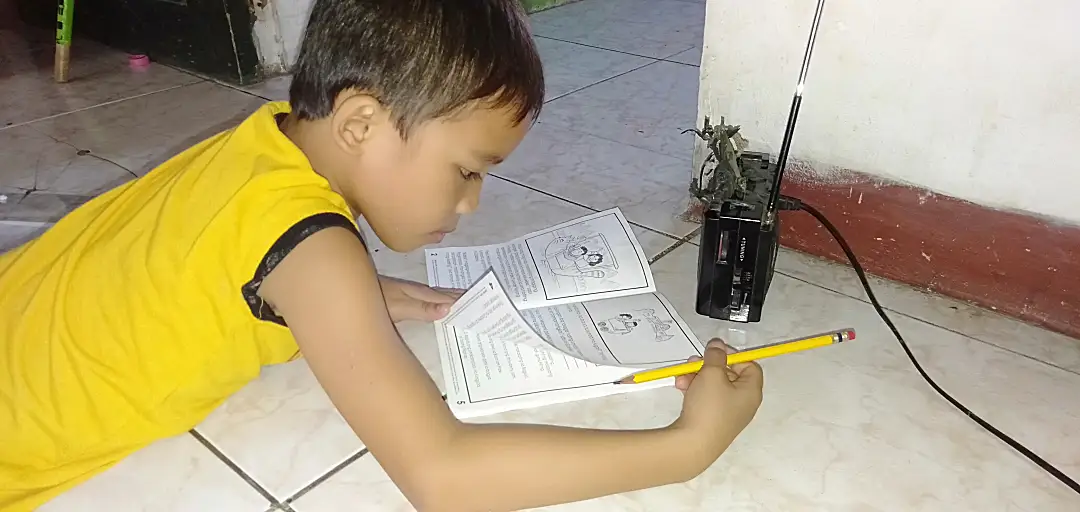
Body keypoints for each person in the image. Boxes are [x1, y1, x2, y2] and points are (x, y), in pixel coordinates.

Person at [0, 0, 764, 510]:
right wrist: (685, 449)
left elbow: (224, 253)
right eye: (467, 171)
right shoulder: (312, 252)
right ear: (361, 122)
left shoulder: (266, 138)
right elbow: (441, 474)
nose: (471, 204)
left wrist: (362, 290)